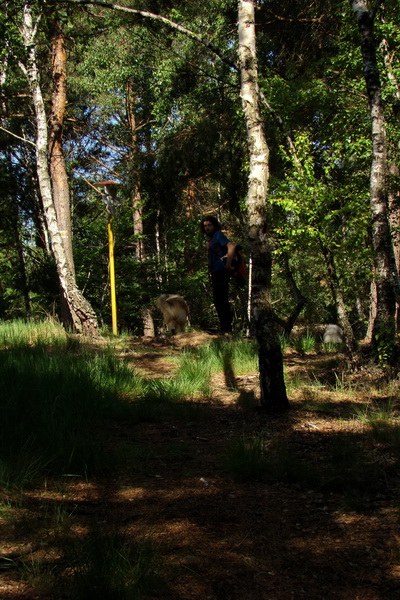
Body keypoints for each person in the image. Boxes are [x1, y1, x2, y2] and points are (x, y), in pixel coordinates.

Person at [200, 216, 236, 334]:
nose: (207, 228)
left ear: (214, 226)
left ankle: (227, 329)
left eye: (209, 225)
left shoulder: (218, 235)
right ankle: (224, 328)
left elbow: (231, 247)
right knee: (218, 300)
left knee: (222, 300)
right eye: (205, 226)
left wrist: (228, 265)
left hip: (222, 271)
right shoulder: (211, 239)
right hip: (216, 272)